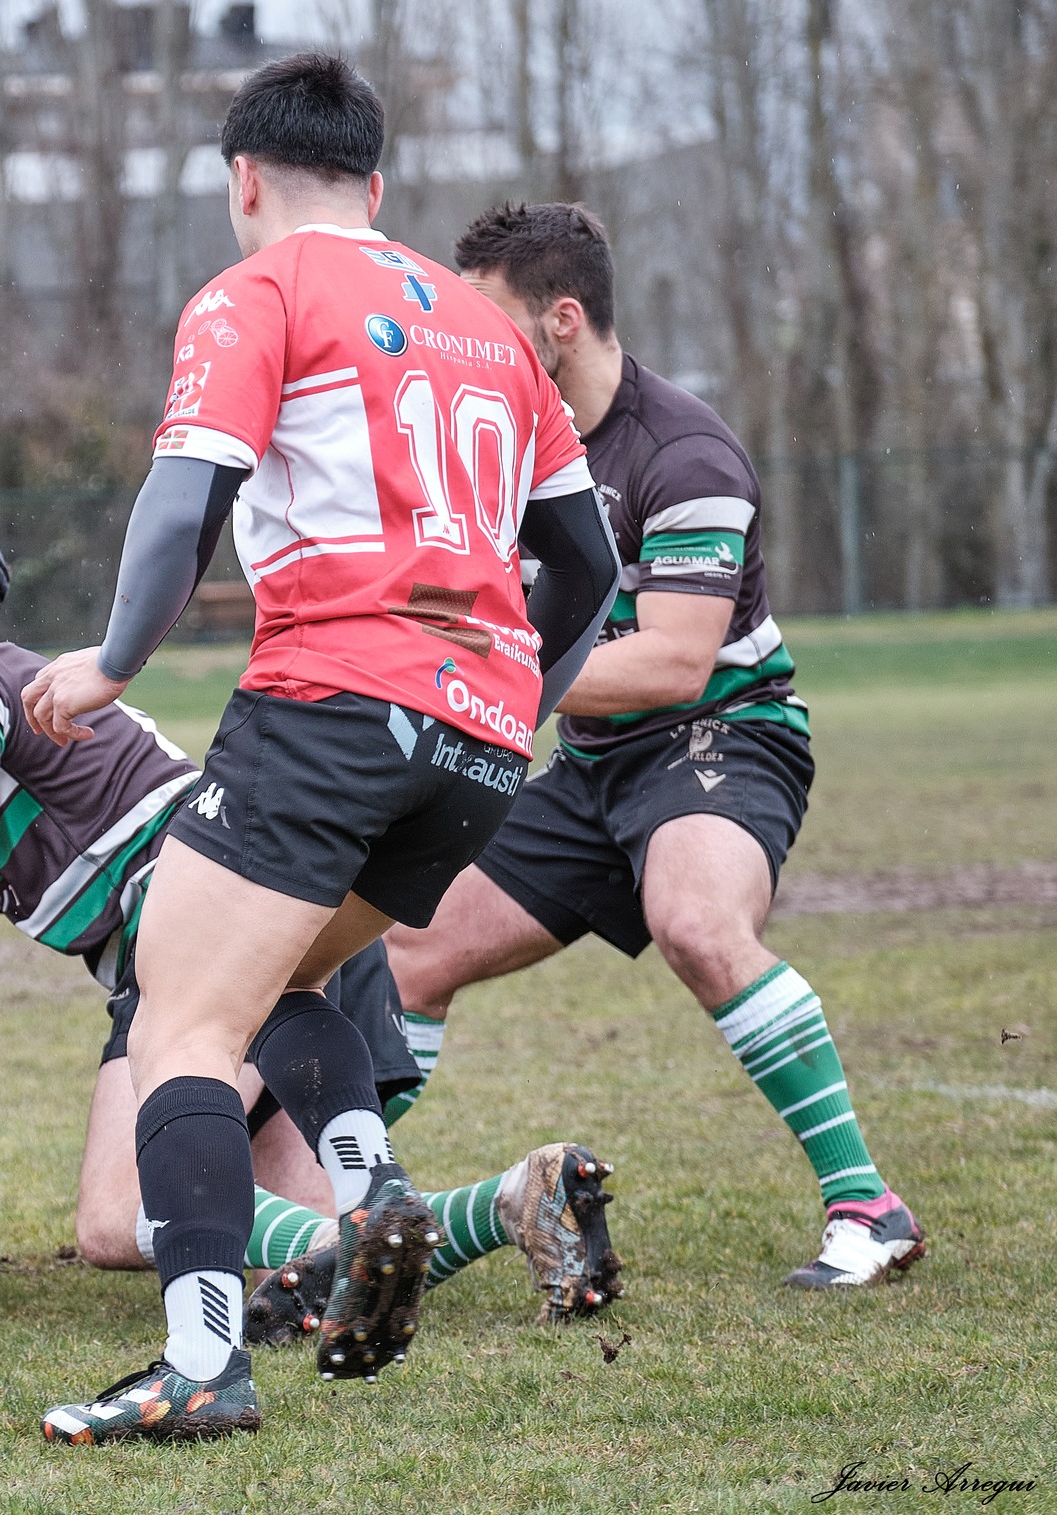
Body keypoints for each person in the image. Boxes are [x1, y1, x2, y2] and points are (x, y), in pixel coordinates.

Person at [18, 54, 620, 1441]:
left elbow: (178, 514)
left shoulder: (257, 291)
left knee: (178, 1007)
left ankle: (200, 1361)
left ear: (243, 178)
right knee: (296, 958)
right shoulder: (483, 326)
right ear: (379, 185)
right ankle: (371, 1180)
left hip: (333, 698)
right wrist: (513, 700)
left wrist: (108, 666)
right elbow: (585, 563)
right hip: (471, 739)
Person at [0, 540, 617, 1366]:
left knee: (121, 1215)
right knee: (315, 1244)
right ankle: (516, 1200)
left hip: (202, 934)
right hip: (278, 934)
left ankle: (219, 1355)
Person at [379, 202, 924, 1290]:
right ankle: (371, 1223)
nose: (462, 340)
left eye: (484, 317)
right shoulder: (502, 447)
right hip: (590, 762)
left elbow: (676, 661)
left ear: (561, 320)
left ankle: (868, 1206)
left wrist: (477, 674)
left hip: (721, 732)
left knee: (695, 922)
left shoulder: (683, 454)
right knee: (408, 951)